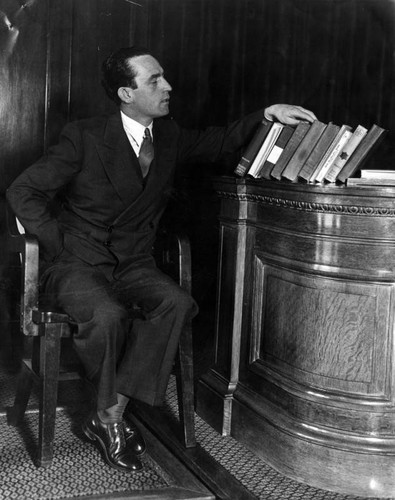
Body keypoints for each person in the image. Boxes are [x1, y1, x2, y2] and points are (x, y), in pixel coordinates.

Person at [6, 46, 317, 472]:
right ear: (125, 93)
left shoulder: (169, 138)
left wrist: (268, 114)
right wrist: (58, 246)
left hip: (133, 265)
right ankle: (112, 418)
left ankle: (107, 413)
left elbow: (222, 140)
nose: (167, 86)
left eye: (163, 77)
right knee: (107, 314)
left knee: (176, 303)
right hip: (77, 264)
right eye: (154, 80)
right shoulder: (84, 136)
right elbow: (23, 190)